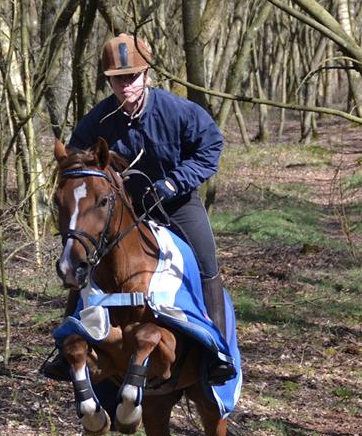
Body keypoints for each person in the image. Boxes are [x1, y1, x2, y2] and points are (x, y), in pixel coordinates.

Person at [43, 33, 234, 383]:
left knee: (206, 260)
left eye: (131, 77)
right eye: (118, 79)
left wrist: (176, 181)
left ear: (146, 75)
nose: (125, 85)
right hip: (121, 210)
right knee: (82, 256)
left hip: (175, 202)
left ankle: (218, 350)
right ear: (109, 81)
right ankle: (64, 345)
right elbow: (74, 161)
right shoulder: (98, 120)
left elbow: (211, 146)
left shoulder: (178, 111)